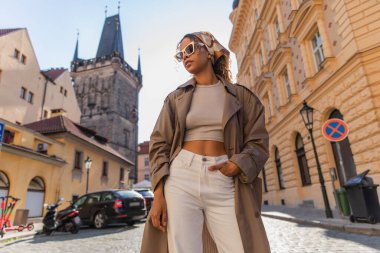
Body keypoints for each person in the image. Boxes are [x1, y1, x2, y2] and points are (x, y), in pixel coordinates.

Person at [140, 31, 271, 253]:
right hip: (181, 176)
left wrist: (237, 164)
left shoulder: (241, 96)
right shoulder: (175, 98)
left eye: (189, 49)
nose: (185, 57)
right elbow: (159, 144)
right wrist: (159, 195)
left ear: (209, 50)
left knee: (240, 246)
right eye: (181, 55)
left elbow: (258, 141)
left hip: (224, 176)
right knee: (183, 248)